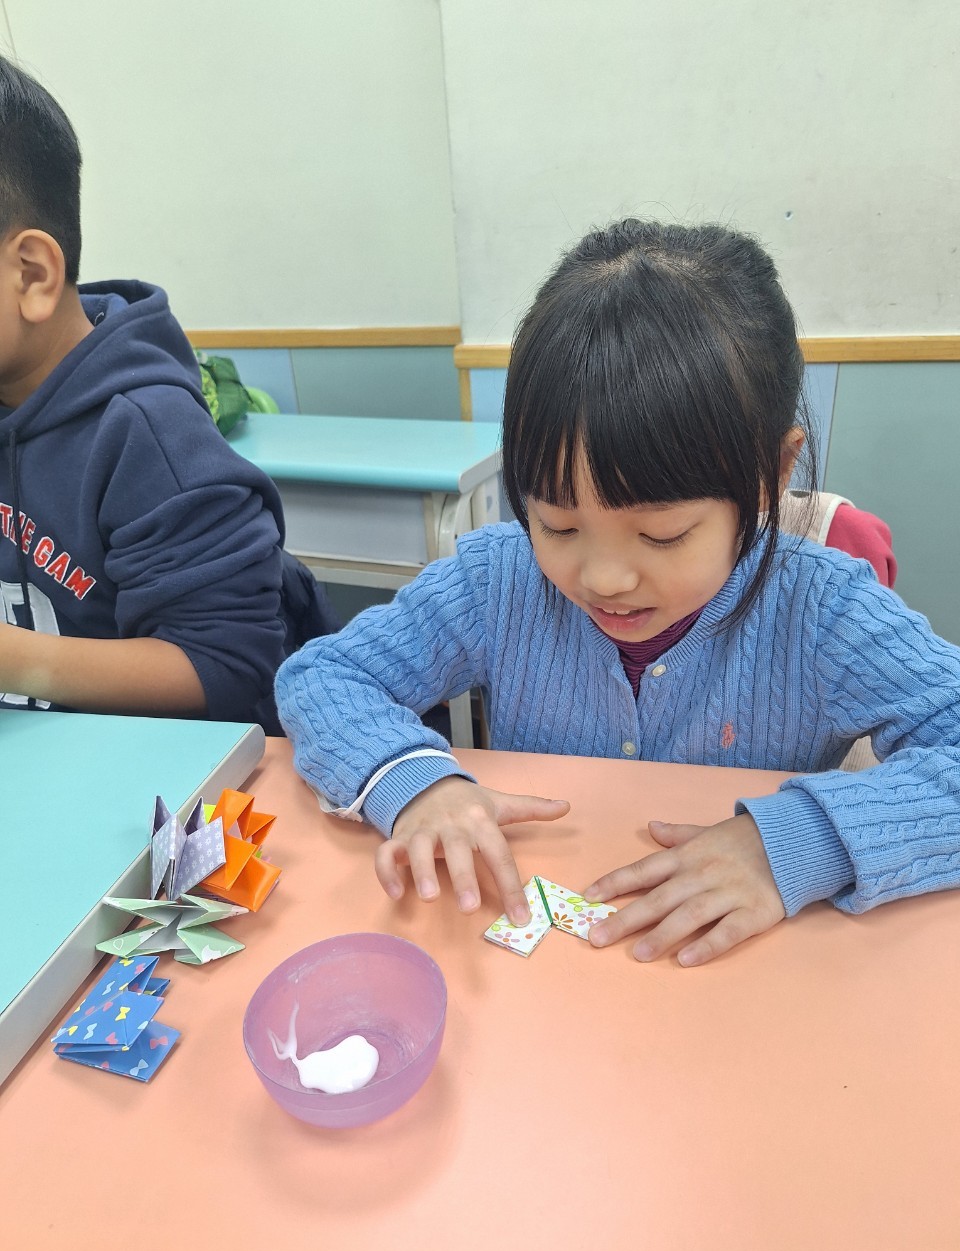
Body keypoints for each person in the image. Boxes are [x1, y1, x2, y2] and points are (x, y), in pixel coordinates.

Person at [275, 218, 960, 966]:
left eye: (662, 534)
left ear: (772, 475)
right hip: (539, 971)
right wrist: (413, 784)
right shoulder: (498, 581)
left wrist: (798, 843)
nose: (603, 579)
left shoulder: (822, 612)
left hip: (744, 975)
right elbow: (324, 675)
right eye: (558, 524)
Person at [0, 54, 287, 724]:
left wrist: (13, 658)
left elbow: (226, 667)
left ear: (32, 275)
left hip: (146, 774)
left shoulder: (146, 431)